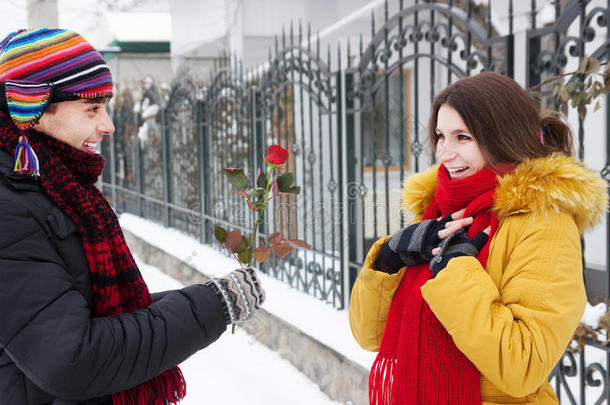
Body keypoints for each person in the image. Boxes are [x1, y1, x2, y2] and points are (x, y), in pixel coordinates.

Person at [0, 28, 265, 404]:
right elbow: (70, 358)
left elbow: (86, 308)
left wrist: (213, 298)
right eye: (92, 109)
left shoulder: (50, 185)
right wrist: (211, 307)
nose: (107, 124)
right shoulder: (11, 205)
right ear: (32, 109)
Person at [349, 72, 608, 404]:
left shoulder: (545, 223)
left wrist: (455, 274)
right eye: (441, 136)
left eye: (463, 137)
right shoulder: (440, 211)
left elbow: (524, 366)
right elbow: (371, 337)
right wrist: (389, 260)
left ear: (503, 137)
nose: (445, 153)